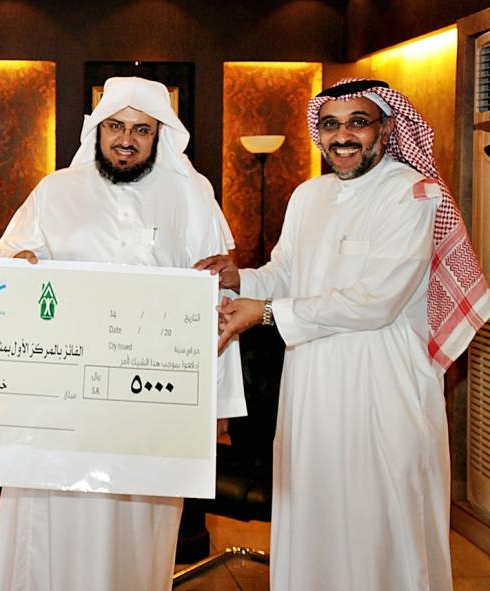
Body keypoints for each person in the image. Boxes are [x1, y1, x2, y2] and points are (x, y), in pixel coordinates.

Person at [198, 78, 490, 591]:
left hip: (383, 383)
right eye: (330, 124)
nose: (342, 136)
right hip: (311, 382)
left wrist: (264, 313)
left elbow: (377, 301)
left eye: (358, 122)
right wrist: (239, 278)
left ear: (387, 128)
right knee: (315, 511)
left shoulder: (412, 193)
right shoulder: (308, 195)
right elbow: (287, 273)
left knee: (380, 519)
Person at [0, 76, 247, 591]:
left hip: (152, 399)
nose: (126, 140)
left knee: (138, 525)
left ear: (159, 134)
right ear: (98, 130)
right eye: (115, 127)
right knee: (54, 519)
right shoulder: (56, 190)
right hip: (60, 398)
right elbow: (10, 261)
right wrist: (21, 261)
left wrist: (216, 404)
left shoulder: (191, 194)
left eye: (141, 130)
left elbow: (214, 298)